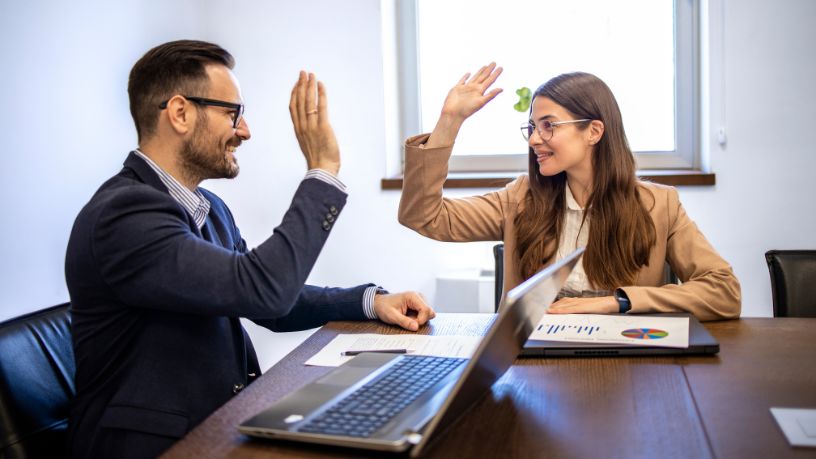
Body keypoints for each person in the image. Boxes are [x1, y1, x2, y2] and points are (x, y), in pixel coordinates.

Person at [65, 39, 435, 458]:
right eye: (233, 113)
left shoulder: (210, 209)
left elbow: (265, 302)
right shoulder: (124, 215)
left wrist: (370, 302)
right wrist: (323, 172)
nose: (245, 130)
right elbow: (264, 288)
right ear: (180, 113)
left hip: (218, 424)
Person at [398, 63, 740, 321]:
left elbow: (723, 291)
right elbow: (424, 217)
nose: (534, 139)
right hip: (535, 366)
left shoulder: (659, 205)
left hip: (630, 365)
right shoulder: (519, 199)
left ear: (593, 131)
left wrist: (617, 301)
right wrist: (449, 121)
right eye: (532, 127)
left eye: (548, 125)